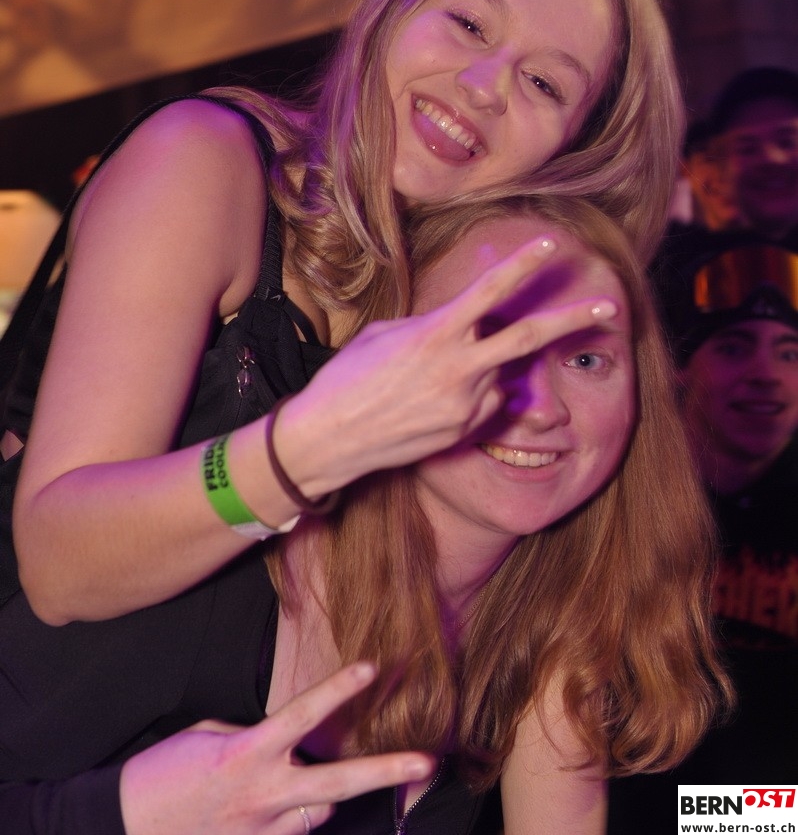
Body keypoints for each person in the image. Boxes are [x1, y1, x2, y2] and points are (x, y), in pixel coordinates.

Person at [0, 0, 685, 628]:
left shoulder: (458, 293)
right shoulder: (202, 163)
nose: (483, 87)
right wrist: (306, 450)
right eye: (468, 24)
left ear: (578, 149)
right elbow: (61, 569)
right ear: (395, 5)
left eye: (545, 84)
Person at [1, 196, 730, 834]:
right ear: (382, 367)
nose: (540, 408)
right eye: (484, 339)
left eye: (585, 360)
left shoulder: (543, 635)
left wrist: (756, 811)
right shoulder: (209, 587)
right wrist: (120, 815)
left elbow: (691, 806)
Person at [608, 239, 798, 834]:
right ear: (679, 365)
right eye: (734, 347)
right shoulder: (621, 499)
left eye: (790, 353)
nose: (766, 376)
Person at [708, 64, 798, 243]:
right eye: (748, 149)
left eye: (787, 142)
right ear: (722, 171)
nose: (770, 158)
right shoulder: (703, 259)